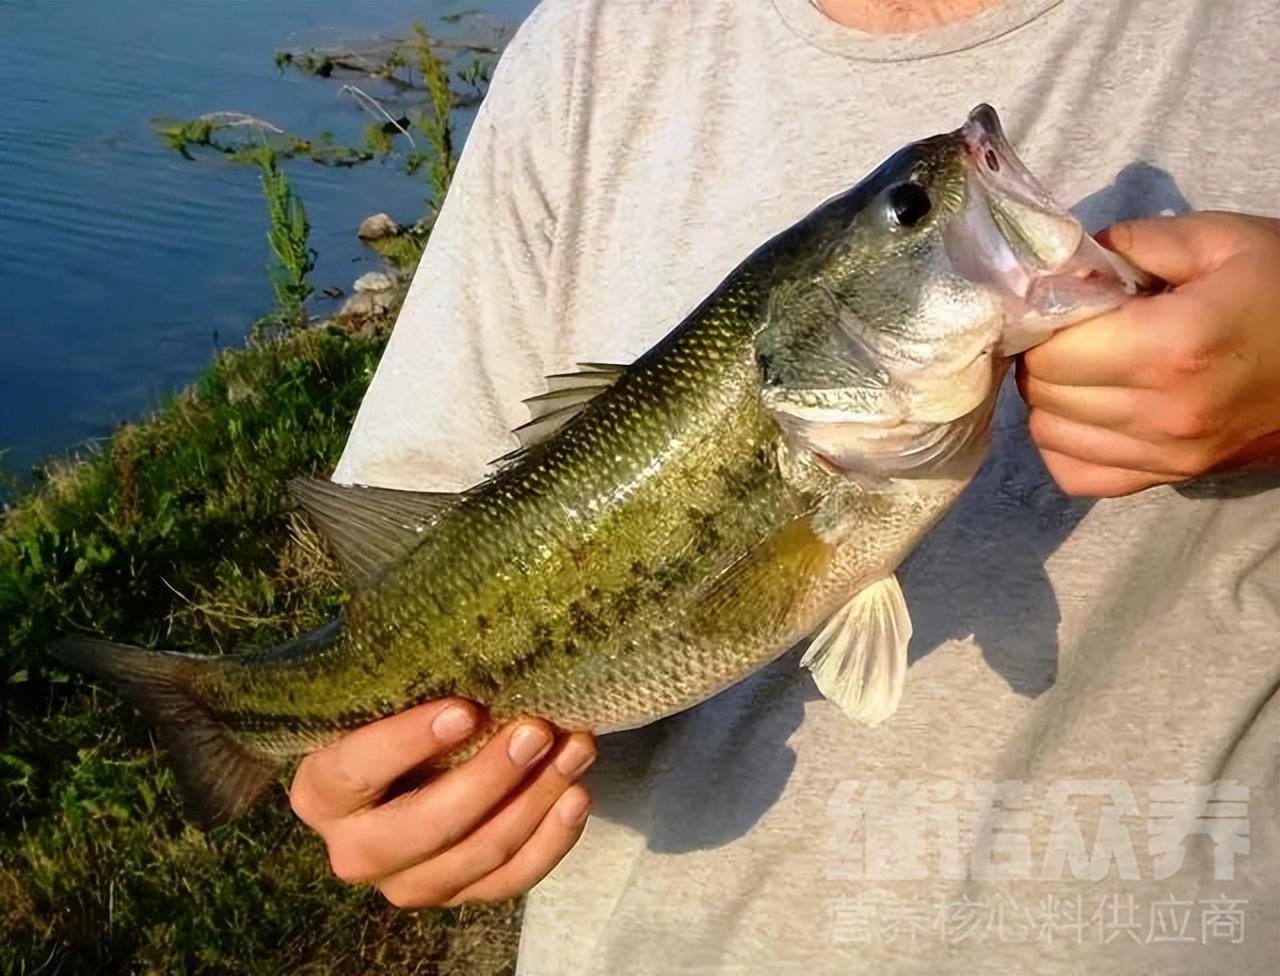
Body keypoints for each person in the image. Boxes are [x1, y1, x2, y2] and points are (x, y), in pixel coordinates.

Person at [286, 1, 1280, 972]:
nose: (967, 168)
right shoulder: (585, 49)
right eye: (911, 210)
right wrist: (390, 800)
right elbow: (414, 574)